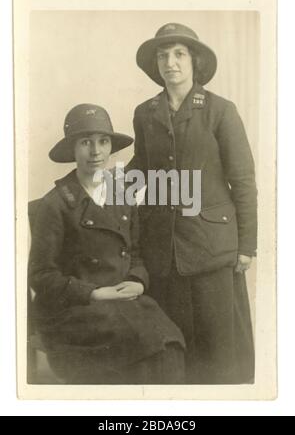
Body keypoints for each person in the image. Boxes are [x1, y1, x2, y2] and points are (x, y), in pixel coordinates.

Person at [127, 23, 257, 384]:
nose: (171, 62)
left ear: (194, 61)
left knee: (217, 352)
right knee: (173, 346)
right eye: (163, 55)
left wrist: (247, 244)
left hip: (210, 247)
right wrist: (105, 188)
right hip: (162, 248)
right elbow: (142, 166)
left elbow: (243, 180)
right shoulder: (144, 112)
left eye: (179, 54)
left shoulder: (220, 110)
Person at [28, 103, 185, 384]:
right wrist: (95, 293)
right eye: (85, 142)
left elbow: (135, 253)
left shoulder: (121, 193)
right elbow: (41, 276)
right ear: (72, 150)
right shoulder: (56, 204)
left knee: (169, 340)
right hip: (76, 309)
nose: (96, 151)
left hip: (123, 300)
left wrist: (138, 281)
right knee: (144, 347)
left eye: (103, 141)